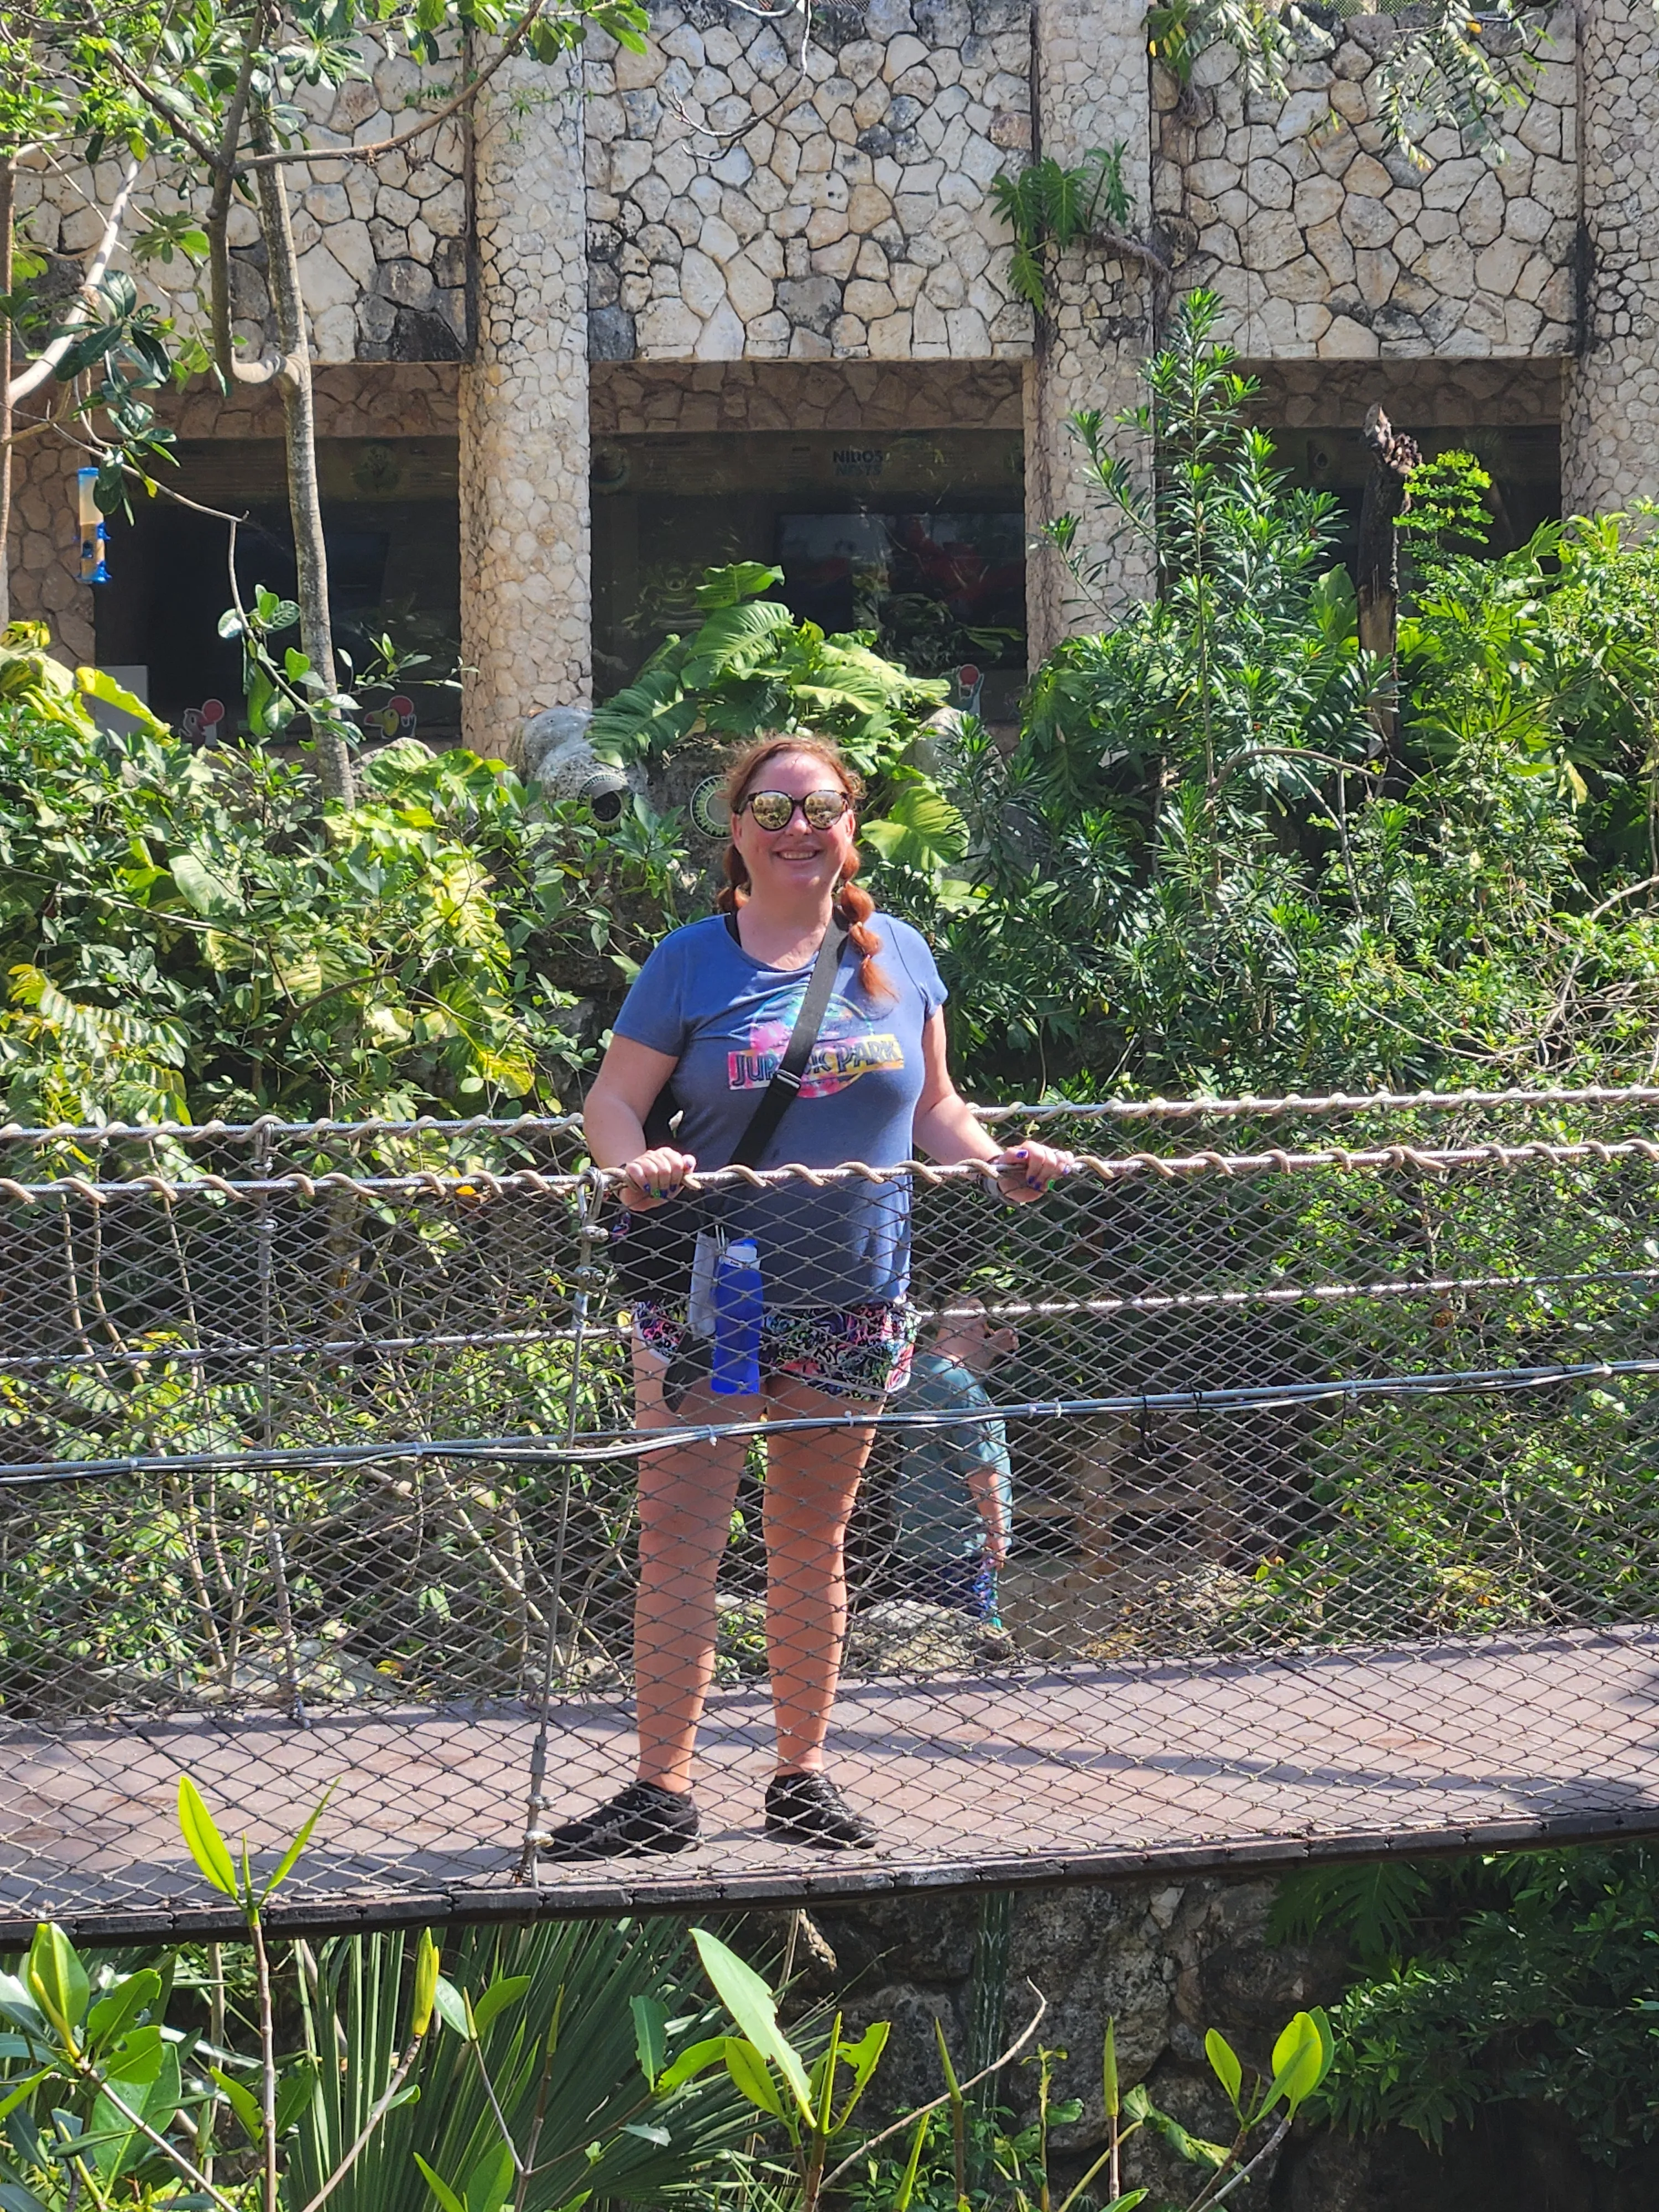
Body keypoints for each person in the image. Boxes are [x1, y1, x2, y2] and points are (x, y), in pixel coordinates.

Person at [549, 732, 1074, 1860]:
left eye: (821, 807)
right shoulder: (692, 959)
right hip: (713, 1292)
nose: (799, 827)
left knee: (812, 1541)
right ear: (737, 831)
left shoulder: (899, 954)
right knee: (680, 1543)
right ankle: (663, 1789)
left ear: (852, 825)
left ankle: (802, 1776)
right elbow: (611, 1103)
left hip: (854, 1296)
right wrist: (631, 1169)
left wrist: (997, 1163)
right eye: (774, 809)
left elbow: (937, 1108)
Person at [891, 1295, 1017, 1623]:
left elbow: (954, 1378)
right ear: (972, 1325)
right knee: (977, 1631)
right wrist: (997, 1532)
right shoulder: (963, 1389)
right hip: (963, 1545)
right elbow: (980, 1468)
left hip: (917, 1537)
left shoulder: (914, 1374)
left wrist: (989, 1352)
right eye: (984, 1328)